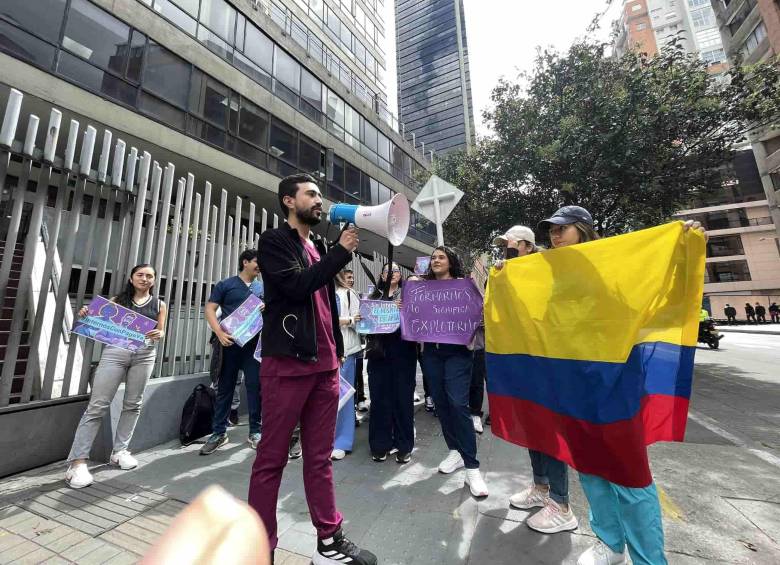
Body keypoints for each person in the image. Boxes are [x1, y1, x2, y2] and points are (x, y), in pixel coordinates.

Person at [533, 206, 706, 565]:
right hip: (573, 386)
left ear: (584, 229)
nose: (555, 235)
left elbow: (662, 298)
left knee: (630, 476)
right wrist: (505, 277)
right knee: (590, 468)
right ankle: (610, 544)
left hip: (615, 385)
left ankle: (649, 560)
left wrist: (685, 251)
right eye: (551, 230)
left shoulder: (616, 267)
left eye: (563, 229)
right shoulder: (551, 279)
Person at [248, 173, 376, 565]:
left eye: (321, 195)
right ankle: (259, 546)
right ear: (290, 201)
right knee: (272, 459)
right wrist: (340, 253)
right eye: (312, 194)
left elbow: (327, 305)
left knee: (318, 458)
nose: (320, 201)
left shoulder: (319, 246)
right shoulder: (274, 242)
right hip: (288, 365)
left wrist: (336, 351)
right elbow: (296, 287)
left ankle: (329, 536)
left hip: (324, 367)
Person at [491, 224, 578, 533]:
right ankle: (541, 488)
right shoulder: (510, 272)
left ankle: (561, 502)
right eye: (504, 245)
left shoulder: (547, 268)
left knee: (551, 430)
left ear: (526, 245)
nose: (506, 249)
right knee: (533, 427)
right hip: (525, 359)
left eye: (511, 245)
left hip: (552, 360)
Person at [65, 264, 167, 488]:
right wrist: (85, 312)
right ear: (131, 278)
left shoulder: (160, 304)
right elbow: (95, 317)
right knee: (98, 405)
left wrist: (159, 332)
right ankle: (77, 463)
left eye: (149, 276)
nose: (145, 278)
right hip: (115, 353)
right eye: (140, 275)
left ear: (154, 280)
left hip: (145, 354)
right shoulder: (117, 300)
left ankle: (120, 451)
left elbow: (161, 331)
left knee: (133, 404)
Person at [421, 246, 489, 497]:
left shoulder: (465, 286)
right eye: (433, 258)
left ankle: (472, 467)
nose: (436, 260)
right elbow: (414, 315)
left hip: (459, 353)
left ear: (451, 261)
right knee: (441, 403)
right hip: (431, 352)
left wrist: (478, 317)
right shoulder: (423, 289)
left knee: (458, 404)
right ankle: (454, 451)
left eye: (441, 257)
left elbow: (481, 314)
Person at [201, 249, 264, 455]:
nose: (260, 265)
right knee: (225, 388)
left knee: (255, 388)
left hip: (254, 347)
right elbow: (210, 309)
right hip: (229, 345)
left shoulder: (263, 287)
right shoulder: (226, 285)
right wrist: (219, 333)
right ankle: (219, 432)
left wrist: (267, 308)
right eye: (256, 261)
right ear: (245, 262)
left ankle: (255, 431)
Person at [366, 262, 418, 464]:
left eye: (395, 270)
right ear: (381, 275)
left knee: (403, 398)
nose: (391, 273)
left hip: (404, 352)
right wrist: (363, 317)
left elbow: (418, 319)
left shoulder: (409, 296)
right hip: (379, 354)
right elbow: (366, 325)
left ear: (400, 274)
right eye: (387, 271)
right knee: (379, 398)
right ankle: (380, 445)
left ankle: (404, 445)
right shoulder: (372, 297)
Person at [332, 269, 362, 460]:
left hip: (345, 351)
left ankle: (342, 440)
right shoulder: (319, 290)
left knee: (344, 395)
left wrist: (345, 320)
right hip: (321, 351)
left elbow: (359, 320)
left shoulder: (350, 294)